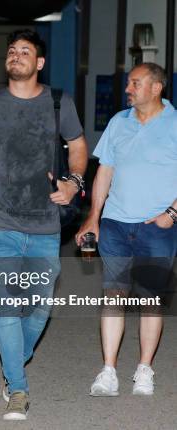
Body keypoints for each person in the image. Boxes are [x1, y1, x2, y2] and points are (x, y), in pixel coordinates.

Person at [0, 29, 87, 420]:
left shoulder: (59, 104)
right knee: (9, 308)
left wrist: (74, 182)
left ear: (39, 63)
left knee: (40, 310)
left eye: (25, 51)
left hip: (46, 223)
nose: (16, 56)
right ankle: (18, 388)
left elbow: (78, 147)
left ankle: (13, 363)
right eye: (12, 51)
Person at [76, 62, 177, 397]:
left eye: (135, 82)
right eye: (129, 82)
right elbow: (104, 171)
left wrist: (172, 214)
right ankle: (108, 370)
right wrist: (93, 216)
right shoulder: (119, 122)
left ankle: (144, 369)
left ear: (157, 87)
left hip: (157, 227)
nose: (128, 88)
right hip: (116, 224)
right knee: (113, 295)